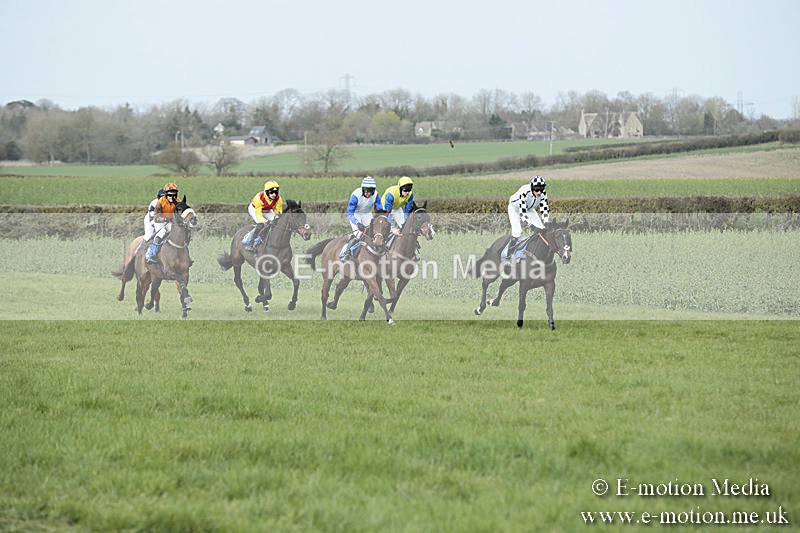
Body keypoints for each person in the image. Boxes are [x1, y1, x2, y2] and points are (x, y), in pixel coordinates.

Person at [503, 175, 550, 261]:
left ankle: (537, 253)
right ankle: (508, 256)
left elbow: (544, 208)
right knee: (517, 232)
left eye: (541, 189)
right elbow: (522, 213)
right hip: (515, 208)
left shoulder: (543, 193)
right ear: (532, 187)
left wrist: (546, 221)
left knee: (542, 229)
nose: (539, 192)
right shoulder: (524, 191)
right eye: (537, 190)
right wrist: (531, 225)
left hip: (529, 208)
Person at [339, 176, 383, 260]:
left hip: (367, 214)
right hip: (356, 215)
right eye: (367, 191)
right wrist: (357, 223)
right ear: (363, 189)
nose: (369, 194)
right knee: (359, 236)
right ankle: (345, 253)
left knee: (374, 233)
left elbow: (379, 209)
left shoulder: (376, 194)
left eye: (371, 192)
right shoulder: (356, 195)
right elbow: (350, 213)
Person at [145, 182, 180, 264]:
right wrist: (165, 219)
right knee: (162, 232)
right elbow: (155, 217)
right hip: (157, 221)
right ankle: (150, 254)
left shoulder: (177, 202)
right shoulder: (157, 203)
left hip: (169, 221)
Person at [243, 180, 283, 252]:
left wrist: (277, 218)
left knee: (277, 222)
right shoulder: (259, 198)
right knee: (261, 224)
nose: (274, 195)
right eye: (271, 192)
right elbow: (258, 214)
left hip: (267, 210)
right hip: (255, 209)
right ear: (267, 192)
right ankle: (250, 244)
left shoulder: (279, 199)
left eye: (275, 192)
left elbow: (278, 211)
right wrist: (265, 221)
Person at [381, 176, 415, 241]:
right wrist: (392, 228)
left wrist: (404, 223)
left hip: (396, 207)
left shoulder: (410, 194)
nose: (407, 193)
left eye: (409, 190)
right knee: (390, 228)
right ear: (400, 188)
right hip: (385, 208)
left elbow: (407, 211)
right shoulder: (390, 194)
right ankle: (384, 242)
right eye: (405, 190)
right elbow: (388, 213)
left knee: (405, 225)